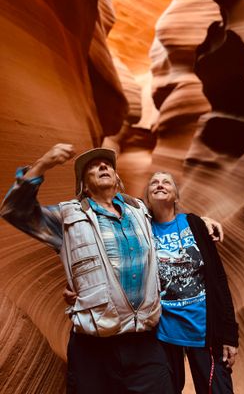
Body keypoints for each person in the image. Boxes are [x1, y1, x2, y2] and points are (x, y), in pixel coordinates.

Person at [0, 144, 223, 394]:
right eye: (93, 166)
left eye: (107, 164)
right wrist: (44, 163)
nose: (103, 166)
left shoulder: (140, 211)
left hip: (145, 344)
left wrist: (200, 223)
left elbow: (168, 216)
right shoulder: (66, 218)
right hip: (93, 349)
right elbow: (14, 210)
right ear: (83, 185)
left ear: (117, 178)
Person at [144, 171, 239, 394]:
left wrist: (229, 334)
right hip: (163, 331)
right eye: (154, 183)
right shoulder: (142, 228)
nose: (160, 185)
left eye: (166, 182)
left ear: (176, 195)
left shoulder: (194, 223)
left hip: (203, 327)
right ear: (147, 198)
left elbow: (218, 279)